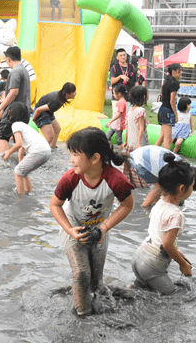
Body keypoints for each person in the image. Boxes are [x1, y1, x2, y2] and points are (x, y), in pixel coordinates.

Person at [50, 127, 134, 316]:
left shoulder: (115, 180)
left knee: (96, 281)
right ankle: (83, 316)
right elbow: (55, 205)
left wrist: (104, 228)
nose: (70, 160)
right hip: (73, 226)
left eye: (74, 154)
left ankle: (98, 308)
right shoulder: (70, 178)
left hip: (99, 230)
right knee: (81, 273)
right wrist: (70, 231)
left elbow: (127, 205)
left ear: (95, 158)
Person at [131, 153, 196, 295]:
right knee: (174, 297)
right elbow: (167, 245)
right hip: (152, 264)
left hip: (138, 257)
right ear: (182, 188)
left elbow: (159, 235)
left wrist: (178, 253)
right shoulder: (177, 214)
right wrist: (183, 264)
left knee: (139, 292)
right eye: (192, 186)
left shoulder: (159, 203)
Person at [2, 102, 51, 195]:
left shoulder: (15, 125)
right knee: (22, 172)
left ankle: (20, 197)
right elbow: (22, 149)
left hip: (38, 151)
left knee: (17, 172)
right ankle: (28, 192)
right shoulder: (25, 126)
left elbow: (18, 144)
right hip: (46, 151)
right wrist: (20, 162)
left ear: (12, 114)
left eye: (8, 112)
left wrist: (8, 153)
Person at [0, 46, 31, 153]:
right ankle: (19, 160)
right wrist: (4, 100)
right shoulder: (24, 70)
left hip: (15, 112)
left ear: (8, 59)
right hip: (24, 111)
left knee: (1, 136)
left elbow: (14, 92)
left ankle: (6, 161)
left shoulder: (15, 72)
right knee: (19, 139)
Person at [121, 145, 181, 211]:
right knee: (159, 186)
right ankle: (145, 207)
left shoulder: (178, 163)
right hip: (139, 162)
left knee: (160, 186)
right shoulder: (176, 169)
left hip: (136, 156)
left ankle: (154, 203)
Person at [31, 82, 76, 149]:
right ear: (67, 94)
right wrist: (34, 119)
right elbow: (38, 109)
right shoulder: (56, 100)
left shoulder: (62, 96)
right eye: (73, 92)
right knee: (49, 136)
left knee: (57, 128)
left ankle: (52, 146)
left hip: (48, 112)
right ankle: (38, 151)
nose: (75, 93)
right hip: (41, 113)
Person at [155, 63, 182, 150]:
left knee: (162, 137)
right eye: (179, 71)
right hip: (167, 111)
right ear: (173, 72)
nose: (181, 73)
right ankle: (166, 161)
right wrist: (176, 114)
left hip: (163, 110)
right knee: (168, 139)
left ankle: (153, 154)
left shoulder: (168, 80)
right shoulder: (174, 83)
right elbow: (172, 101)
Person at [122, 85, 149, 153]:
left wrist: (125, 141)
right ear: (144, 96)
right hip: (139, 143)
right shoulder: (141, 110)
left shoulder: (130, 110)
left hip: (131, 142)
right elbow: (141, 128)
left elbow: (127, 127)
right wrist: (138, 144)